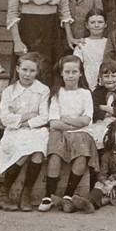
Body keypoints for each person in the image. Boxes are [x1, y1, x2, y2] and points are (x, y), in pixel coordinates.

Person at [40, 55, 98, 212]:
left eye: (74, 71)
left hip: (82, 132)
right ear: (62, 73)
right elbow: (54, 123)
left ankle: (68, 196)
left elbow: (86, 120)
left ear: (80, 73)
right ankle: (49, 195)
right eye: (67, 72)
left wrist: (66, 120)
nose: (71, 75)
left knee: (81, 154)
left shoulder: (85, 93)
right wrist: (74, 122)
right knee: (55, 154)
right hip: (60, 132)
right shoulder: (57, 94)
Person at [0, 52, 50, 211]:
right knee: (22, 153)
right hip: (15, 131)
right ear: (18, 69)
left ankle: (26, 193)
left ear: (37, 72)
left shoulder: (43, 90)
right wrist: (27, 116)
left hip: (36, 129)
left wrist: (23, 121)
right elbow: (5, 118)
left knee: (38, 153)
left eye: (32, 71)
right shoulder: (9, 92)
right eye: (24, 69)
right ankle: (4, 193)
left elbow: (44, 117)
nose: (28, 74)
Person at [87, 59, 116, 148]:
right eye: (106, 76)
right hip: (100, 122)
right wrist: (111, 112)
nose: (110, 80)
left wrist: (103, 107)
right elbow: (95, 110)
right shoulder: (97, 92)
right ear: (100, 77)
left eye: (113, 76)